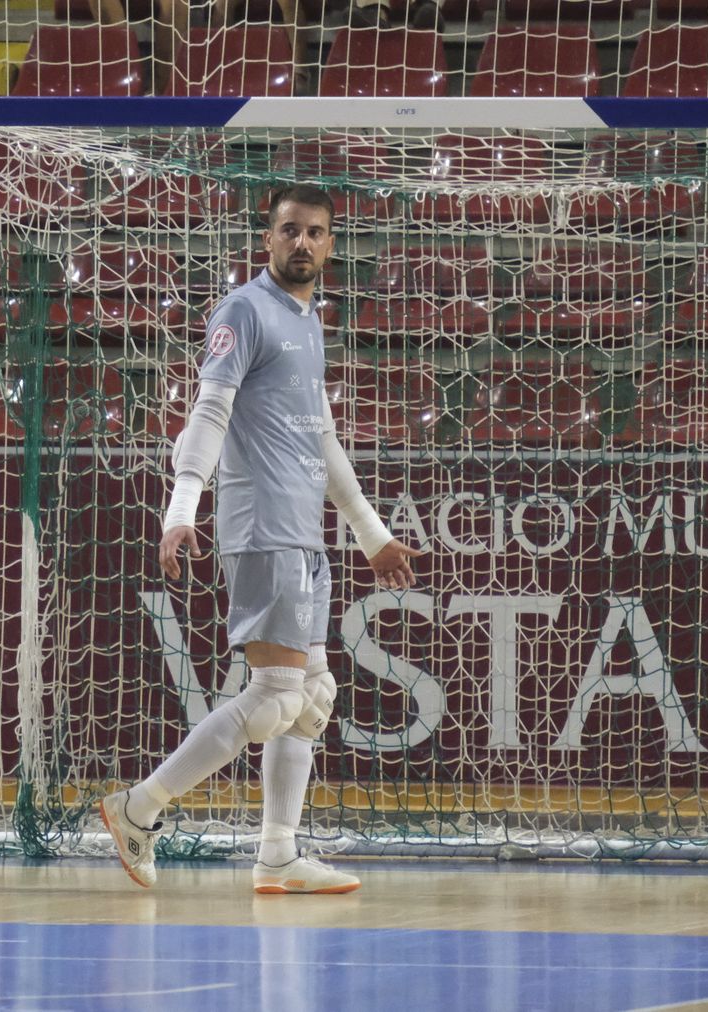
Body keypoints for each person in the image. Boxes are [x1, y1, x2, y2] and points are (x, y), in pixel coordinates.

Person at [100, 185, 423, 894]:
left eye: (314, 233)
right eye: (289, 231)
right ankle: (138, 807)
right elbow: (206, 413)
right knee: (276, 695)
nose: (301, 243)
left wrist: (371, 533)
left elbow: (324, 438)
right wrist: (180, 507)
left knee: (313, 695)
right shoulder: (244, 310)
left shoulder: (308, 322)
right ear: (267, 239)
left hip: (303, 533)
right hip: (261, 527)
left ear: (331, 245)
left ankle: (277, 853)